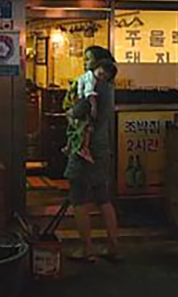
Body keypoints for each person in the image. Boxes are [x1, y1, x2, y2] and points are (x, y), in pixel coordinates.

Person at [64, 46, 121, 263]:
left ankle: (87, 249)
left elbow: (78, 110)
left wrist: (70, 112)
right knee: (103, 198)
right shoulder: (109, 87)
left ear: (98, 63)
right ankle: (113, 247)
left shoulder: (94, 84)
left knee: (78, 199)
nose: (85, 62)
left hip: (86, 148)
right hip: (102, 147)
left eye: (88, 59)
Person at [63, 56, 117, 164]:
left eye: (104, 77)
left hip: (80, 108)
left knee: (81, 129)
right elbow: (88, 94)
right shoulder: (92, 80)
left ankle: (73, 147)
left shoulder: (94, 81)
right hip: (83, 107)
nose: (101, 78)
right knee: (86, 128)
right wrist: (93, 106)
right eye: (101, 74)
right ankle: (82, 148)